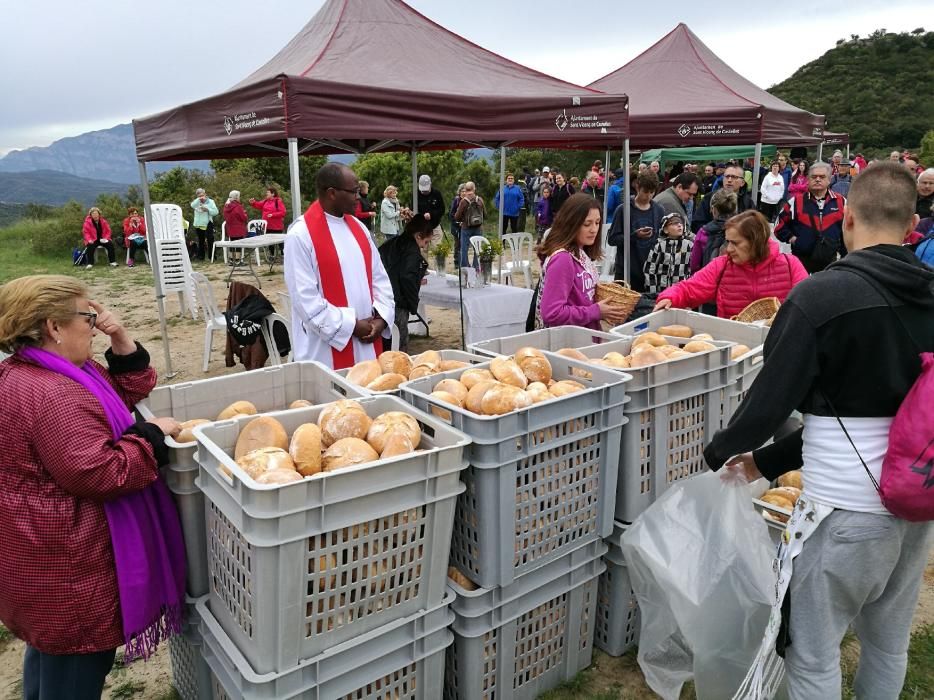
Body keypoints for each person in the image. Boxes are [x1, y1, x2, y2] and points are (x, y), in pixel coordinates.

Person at [704, 162, 933, 700]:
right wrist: (765, 464)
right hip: (917, 505)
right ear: (912, 224)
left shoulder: (821, 298)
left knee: (812, 654)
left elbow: (766, 405)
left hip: (843, 514)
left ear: (847, 218)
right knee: (887, 644)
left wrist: (720, 452)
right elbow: (882, 424)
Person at [0, 275, 186, 699]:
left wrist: (120, 335)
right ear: (54, 326)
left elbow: (124, 394)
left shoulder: (36, 371)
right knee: (76, 668)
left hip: (36, 562)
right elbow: (103, 473)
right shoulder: (54, 395)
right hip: (68, 569)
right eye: (88, 316)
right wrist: (151, 436)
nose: (96, 323)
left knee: (50, 655)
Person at [283, 163, 394, 370]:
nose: (358, 197)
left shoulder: (359, 228)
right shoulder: (300, 235)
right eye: (353, 191)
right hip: (326, 349)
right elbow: (304, 299)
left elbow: (380, 278)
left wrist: (381, 319)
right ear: (332, 193)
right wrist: (351, 325)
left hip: (368, 341)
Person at [654, 210, 808, 318]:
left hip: (778, 346)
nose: (729, 249)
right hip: (735, 349)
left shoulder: (790, 265)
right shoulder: (722, 265)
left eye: (735, 243)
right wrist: (669, 297)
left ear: (756, 241)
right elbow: (689, 288)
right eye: (728, 242)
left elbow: (807, 304)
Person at [536, 193, 629, 330]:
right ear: (571, 223)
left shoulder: (580, 252)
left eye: (597, 223)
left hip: (584, 339)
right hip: (566, 345)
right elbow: (552, 313)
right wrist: (596, 311)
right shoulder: (562, 259)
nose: (594, 230)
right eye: (587, 224)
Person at [775, 161, 847, 273]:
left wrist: (845, 254)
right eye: (814, 177)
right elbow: (779, 225)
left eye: (822, 177)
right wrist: (793, 239)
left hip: (830, 261)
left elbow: (848, 230)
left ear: (829, 180)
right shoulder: (796, 201)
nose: (817, 179)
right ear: (808, 179)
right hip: (801, 260)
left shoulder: (841, 202)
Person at [378, 217, 433, 352]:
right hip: (398, 301)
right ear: (418, 236)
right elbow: (407, 278)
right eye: (426, 241)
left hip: (382, 297)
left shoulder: (391, 242)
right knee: (399, 341)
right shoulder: (412, 252)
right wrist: (412, 303)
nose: (425, 246)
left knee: (385, 341)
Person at [608, 171, 665, 292]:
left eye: (652, 192)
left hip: (650, 272)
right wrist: (634, 236)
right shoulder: (623, 209)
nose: (649, 196)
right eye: (645, 192)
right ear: (637, 186)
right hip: (626, 271)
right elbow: (612, 239)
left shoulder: (659, 210)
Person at [643, 213, 694, 295]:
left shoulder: (689, 246)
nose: (679, 225)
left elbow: (693, 269)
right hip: (662, 291)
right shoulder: (659, 246)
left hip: (682, 291)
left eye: (681, 223)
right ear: (665, 229)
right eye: (674, 223)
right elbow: (650, 270)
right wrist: (652, 293)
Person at [691, 189, 738, 275]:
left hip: (708, 279)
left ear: (713, 209)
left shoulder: (703, 232)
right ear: (735, 209)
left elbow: (694, 264)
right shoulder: (742, 232)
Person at [694, 164, 751, 231]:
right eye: (727, 176)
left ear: (742, 182)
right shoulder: (710, 197)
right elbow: (698, 222)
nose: (729, 180)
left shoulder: (747, 201)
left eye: (734, 177)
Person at [453, 181, 484, 267]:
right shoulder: (480, 200)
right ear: (474, 189)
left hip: (466, 228)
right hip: (478, 228)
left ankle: (465, 268)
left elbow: (457, 217)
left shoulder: (464, 201)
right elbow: (485, 214)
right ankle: (476, 267)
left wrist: (462, 219)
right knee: (477, 250)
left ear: (466, 190)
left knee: (464, 249)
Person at [189, 188, 219, 261]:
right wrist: (198, 200)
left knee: (210, 240)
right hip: (198, 224)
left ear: (205, 194)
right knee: (200, 240)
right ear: (197, 196)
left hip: (208, 223)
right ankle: (201, 257)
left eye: (202, 195)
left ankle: (212, 257)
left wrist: (208, 210)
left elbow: (216, 212)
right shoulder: (196, 202)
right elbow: (192, 206)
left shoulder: (211, 202)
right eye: (199, 195)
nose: (201, 197)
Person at [416, 174, 445, 242]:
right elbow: (413, 209)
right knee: (422, 251)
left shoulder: (436, 193)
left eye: (426, 190)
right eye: (423, 190)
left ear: (430, 184)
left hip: (435, 226)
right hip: (421, 228)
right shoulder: (416, 194)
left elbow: (442, 209)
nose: (424, 192)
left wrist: (431, 215)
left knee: (437, 249)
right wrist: (422, 216)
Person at [222, 190, 248, 266]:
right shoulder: (238, 206)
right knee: (238, 243)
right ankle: (237, 261)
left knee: (232, 242)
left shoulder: (226, 206)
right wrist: (245, 214)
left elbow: (226, 216)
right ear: (236, 197)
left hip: (230, 227)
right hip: (238, 227)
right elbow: (243, 218)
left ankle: (231, 260)